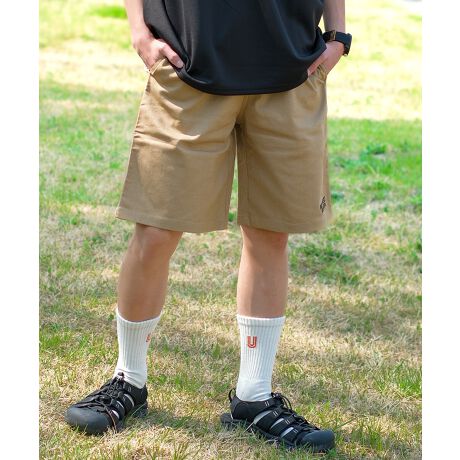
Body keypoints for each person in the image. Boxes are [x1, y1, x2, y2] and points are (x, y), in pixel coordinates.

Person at [64, 0, 352, 453]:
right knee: (156, 230)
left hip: (291, 67)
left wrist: (338, 37)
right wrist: (139, 31)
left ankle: (254, 396)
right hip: (188, 68)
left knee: (271, 233)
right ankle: (129, 378)